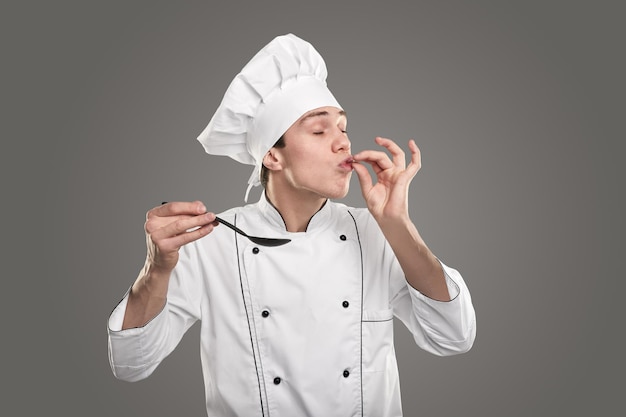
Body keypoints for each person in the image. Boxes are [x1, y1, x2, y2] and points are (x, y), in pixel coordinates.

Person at [107, 33, 476, 417]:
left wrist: (398, 224)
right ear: (271, 156)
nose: (343, 143)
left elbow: (454, 337)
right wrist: (156, 270)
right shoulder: (211, 242)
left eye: (344, 128)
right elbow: (132, 364)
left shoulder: (379, 234)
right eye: (319, 130)